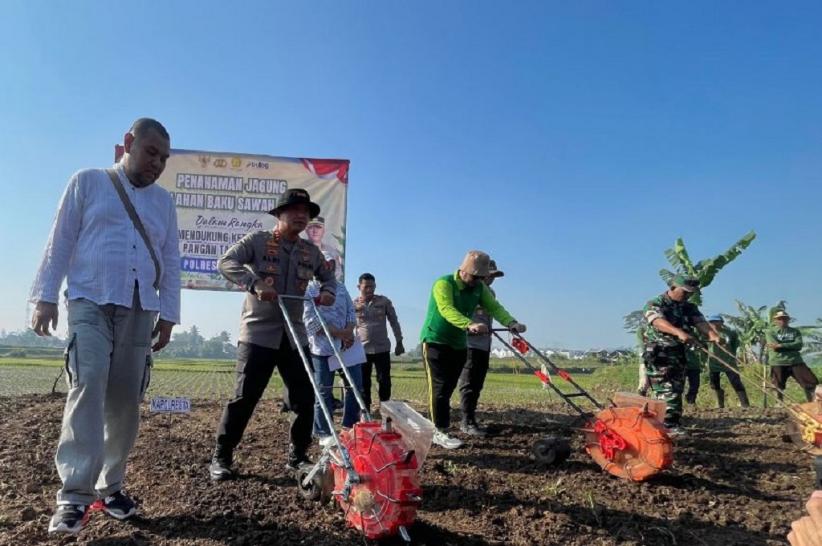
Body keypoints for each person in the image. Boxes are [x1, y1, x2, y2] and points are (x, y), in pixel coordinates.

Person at [29, 118, 180, 534]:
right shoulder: (88, 182)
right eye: (151, 152)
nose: (157, 163)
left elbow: (170, 260)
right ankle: (73, 496)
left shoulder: (164, 203)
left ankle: (110, 487)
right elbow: (59, 240)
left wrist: (167, 315)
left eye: (164, 158)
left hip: (139, 307)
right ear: (127, 143)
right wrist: (44, 296)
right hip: (89, 300)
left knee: (125, 400)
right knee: (89, 380)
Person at [208, 188, 336, 481]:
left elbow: (329, 278)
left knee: (304, 399)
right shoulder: (258, 241)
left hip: (295, 337)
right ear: (279, 215)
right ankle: (222, 456)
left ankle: (298, 457)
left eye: (306, 212)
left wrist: (328, 292)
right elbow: (226, 262)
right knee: (244, 398)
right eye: (294, 210)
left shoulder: (310, 252)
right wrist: (254, 283)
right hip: (258, 335)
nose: (301, 216)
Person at [420, 250, 525, 449]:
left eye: (481, 278)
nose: (478, 281)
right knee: (440, 389)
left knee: (450, 388)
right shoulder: (443, 284)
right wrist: (468, 324)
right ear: (465, 271)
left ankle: (444, 425)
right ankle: (439, 431)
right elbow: (446, 309)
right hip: (436, 340)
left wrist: (511, 322)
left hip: (459, 343)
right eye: (476, 277)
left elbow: (494, 307)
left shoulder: (479, 288)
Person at [641, 275, 719, 434]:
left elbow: (700, 322)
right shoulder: (656, 303)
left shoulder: (688, 307)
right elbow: (657, 321)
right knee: (666, 389)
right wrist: (678, 332)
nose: (688, 295)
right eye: (685, 292)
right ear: (672, 287)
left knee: (676, 388)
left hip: (679, 354)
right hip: (660, 353)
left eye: (691, 293)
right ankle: (666, 425)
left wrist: (712, 335)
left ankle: (670, 423)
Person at [304, 251, 363, 445]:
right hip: (323, 349)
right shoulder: (309, 289)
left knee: (355, 387)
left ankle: (350, 426)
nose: (328, 267)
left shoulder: (341, 288)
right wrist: (339, 333)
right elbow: (311, 322)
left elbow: (351, 314)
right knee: (324, 390)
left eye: (331, 264)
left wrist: (348, 332)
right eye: (324, 264)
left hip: (347, 347)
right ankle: (323, 431)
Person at [458, 259, 505, 436]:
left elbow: (495, 312)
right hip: (468, 343)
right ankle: (466, 422)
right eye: (488, 276)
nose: (491, 279)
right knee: (468, 383)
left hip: (484, 344)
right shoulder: (466, 292)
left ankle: (471, 418)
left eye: (493, 276)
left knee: (477, 383)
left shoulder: (490, 293)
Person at [354, 273, 404, 411]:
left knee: (384, 381)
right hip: (362, 350)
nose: (369, 290)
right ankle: (365, 412)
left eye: (372, 286)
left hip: (382, 349)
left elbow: (394, 322)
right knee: (364, 383)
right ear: (359, 287)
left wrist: (399, 341)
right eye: (366, 287)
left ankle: (386, 410)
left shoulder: (384, 302)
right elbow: (349, 325)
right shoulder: (354, 304)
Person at [767, 310, 819, 402]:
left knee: (810, 382)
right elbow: (774, 347)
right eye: (779, 319)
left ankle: (812, 402)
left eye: (784, 318)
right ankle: (779, 404)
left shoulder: (795, 331)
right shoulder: (770, 332)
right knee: (777, 385)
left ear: (788, 320)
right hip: (778, 361)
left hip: (796, 361)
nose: (782, 320)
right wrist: (790, 346)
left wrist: (782, 345)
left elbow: (798, 345)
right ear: (775, 321)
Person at [705, 315, 749, 408]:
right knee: (714, 383)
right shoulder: (707, 333)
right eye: (711, 322)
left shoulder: (730, 333)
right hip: (714, 362)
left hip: (729, 361)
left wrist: (731, 354)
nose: (714, 324)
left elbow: (735, 344)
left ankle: (745, 403)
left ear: (721, 322)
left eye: (716, 321)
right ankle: (719, 403)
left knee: (736, 382)